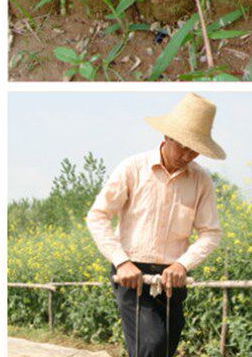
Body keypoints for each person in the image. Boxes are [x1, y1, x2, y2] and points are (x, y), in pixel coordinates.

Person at [87, 92, 225, 357]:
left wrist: (182, 264)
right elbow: (98, 216)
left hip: (174, 277)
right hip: (132, 274)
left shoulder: (201, 180)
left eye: (194, 149)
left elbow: (210, 233)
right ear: (166, 137)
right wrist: (121, 261)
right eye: (183, 146)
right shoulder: (133, 168)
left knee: (165, 348)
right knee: (152, 344)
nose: (187, 155)